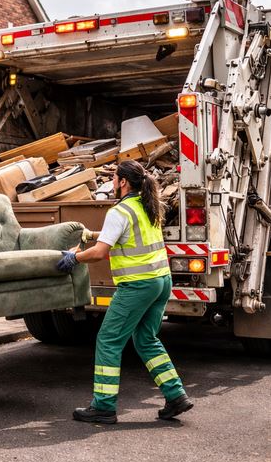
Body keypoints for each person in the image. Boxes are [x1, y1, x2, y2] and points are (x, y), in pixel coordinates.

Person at [56, 159, 193, 424]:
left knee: (108, 340)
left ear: (123, 182)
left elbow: (100, 253)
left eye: (115, 178)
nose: (112, 182)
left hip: (137, 285)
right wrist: (92, 234)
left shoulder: (119, 211)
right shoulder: (145, 206)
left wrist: (75, 258)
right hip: (160, 281)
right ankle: (176, 395)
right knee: (146, 339)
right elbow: (121, 236)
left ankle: (104, 406)